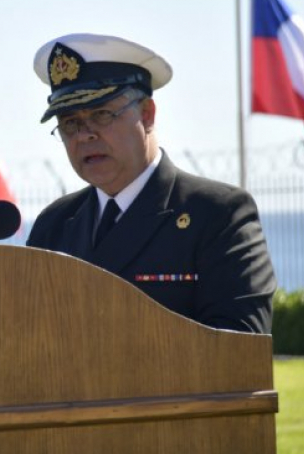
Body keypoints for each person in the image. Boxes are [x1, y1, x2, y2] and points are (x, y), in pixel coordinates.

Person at [26, 33, 277, 334]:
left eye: (102, 114)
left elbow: (240, 346)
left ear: (146, 114)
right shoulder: (54, 226)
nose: (84, 135)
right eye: (70, 123)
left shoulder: (217, 214)